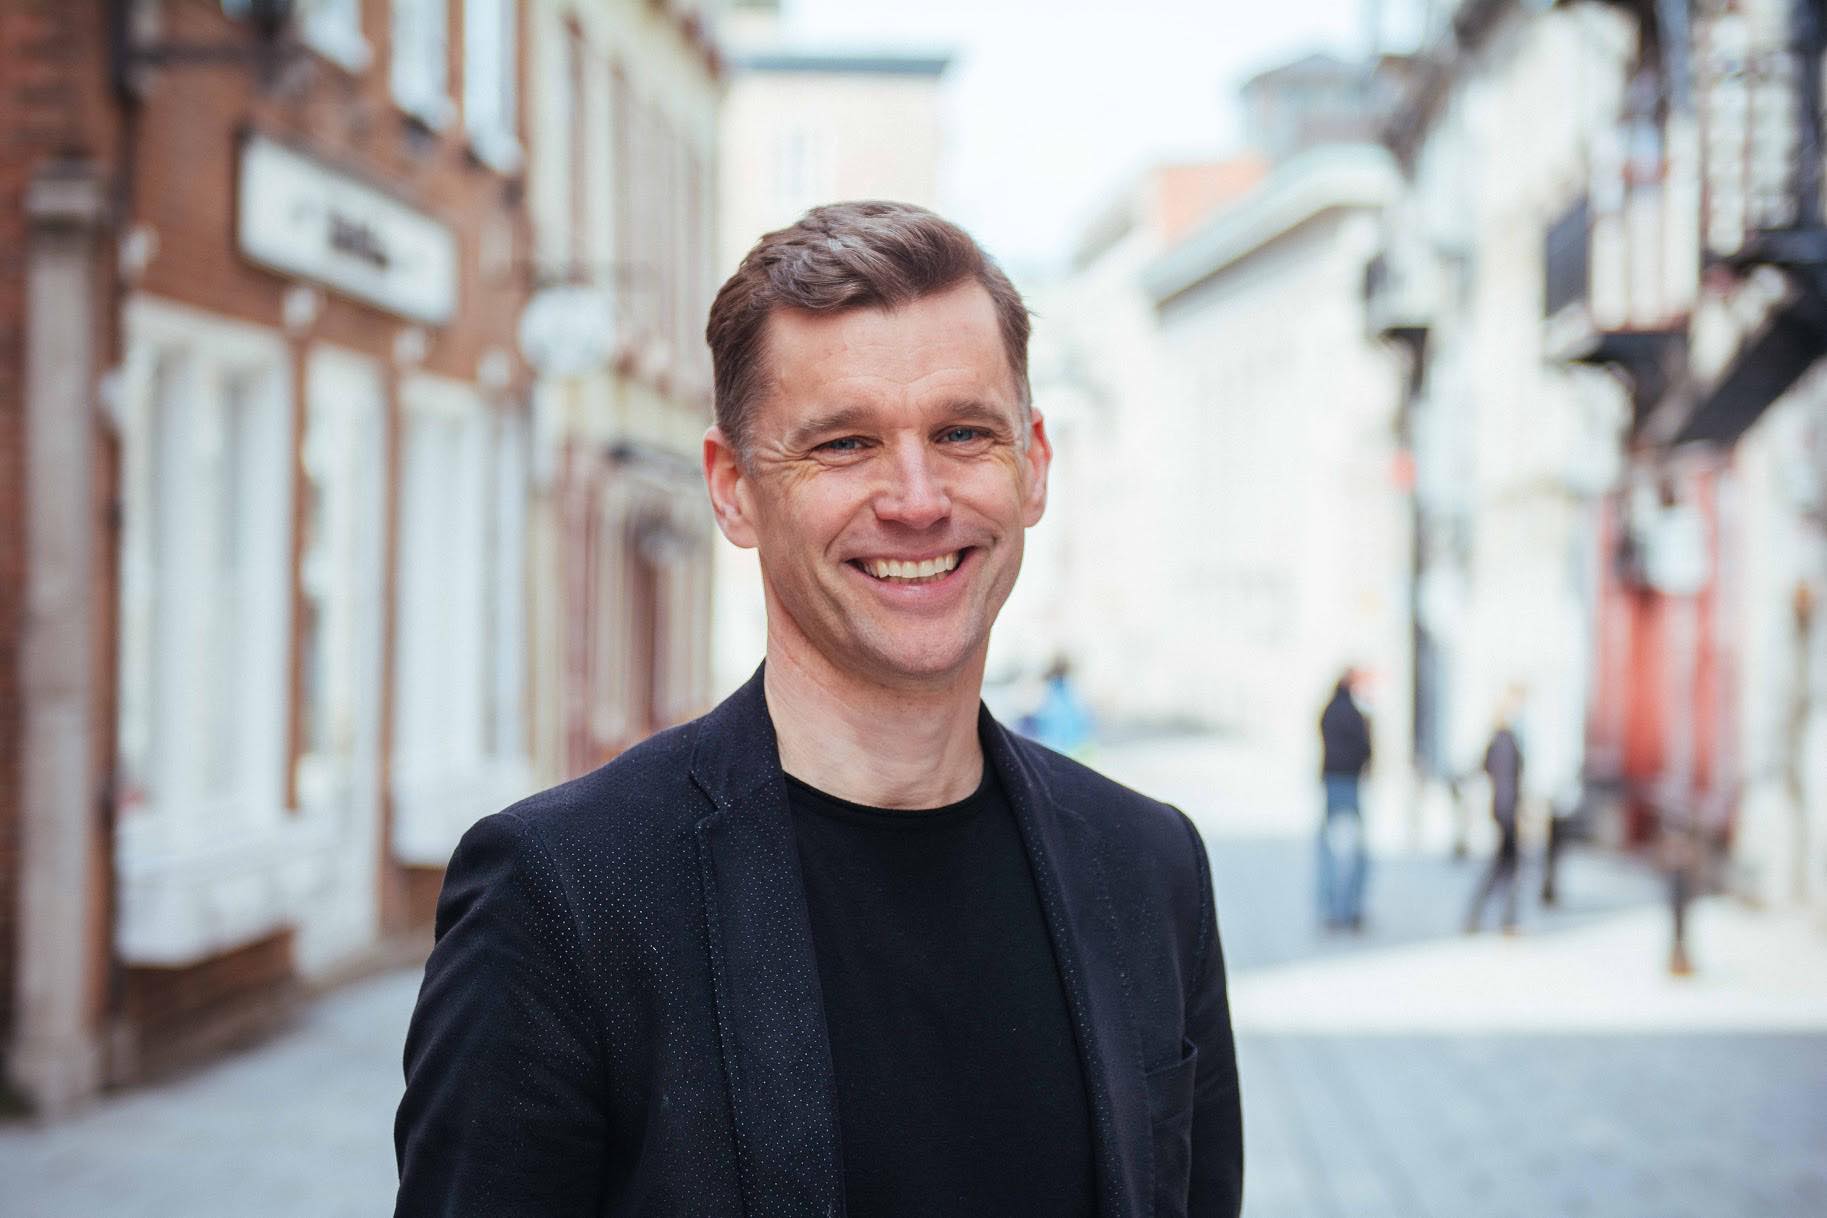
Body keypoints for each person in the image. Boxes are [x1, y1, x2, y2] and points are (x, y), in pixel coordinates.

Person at [394, 202, 1244, 1217]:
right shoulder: (564, 895)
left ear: (1035, 465)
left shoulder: (1147, 866)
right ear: (734, 489)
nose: (917, 499)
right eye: (844, 444)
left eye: (963, 433)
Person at [1465, 687, 1526, 934]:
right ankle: (1499, 918)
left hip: (1504, 809)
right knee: (1505, 867)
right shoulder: (1504, 740)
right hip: (1506, 811)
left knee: (1506, 867)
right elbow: (1504, 781)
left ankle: (1497, 917)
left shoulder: (1501, 739)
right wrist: (1512, 814)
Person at [1317, 669, 1372, 930]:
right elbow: (1364, 748)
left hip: (1332, 781)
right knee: (1355, 851)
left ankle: (1331, 909)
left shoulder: (1329, 710)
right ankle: (1350, 908)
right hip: (1347, 783)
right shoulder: (1353, 713)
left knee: (1329, 850)